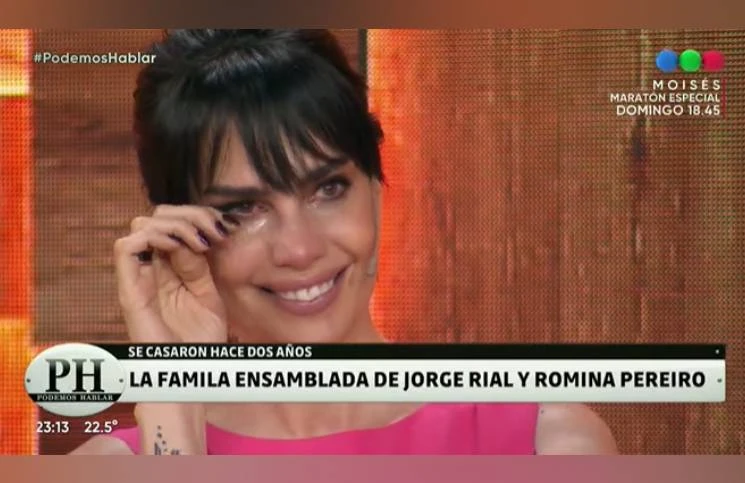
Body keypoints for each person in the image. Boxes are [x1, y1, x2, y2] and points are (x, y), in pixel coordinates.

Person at [70, 29, 617, 455]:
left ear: (377, 188)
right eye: (243, 209)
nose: (300, 249)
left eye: (328, 189)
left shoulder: (547, 440)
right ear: (180, 237)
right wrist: (174, 403)